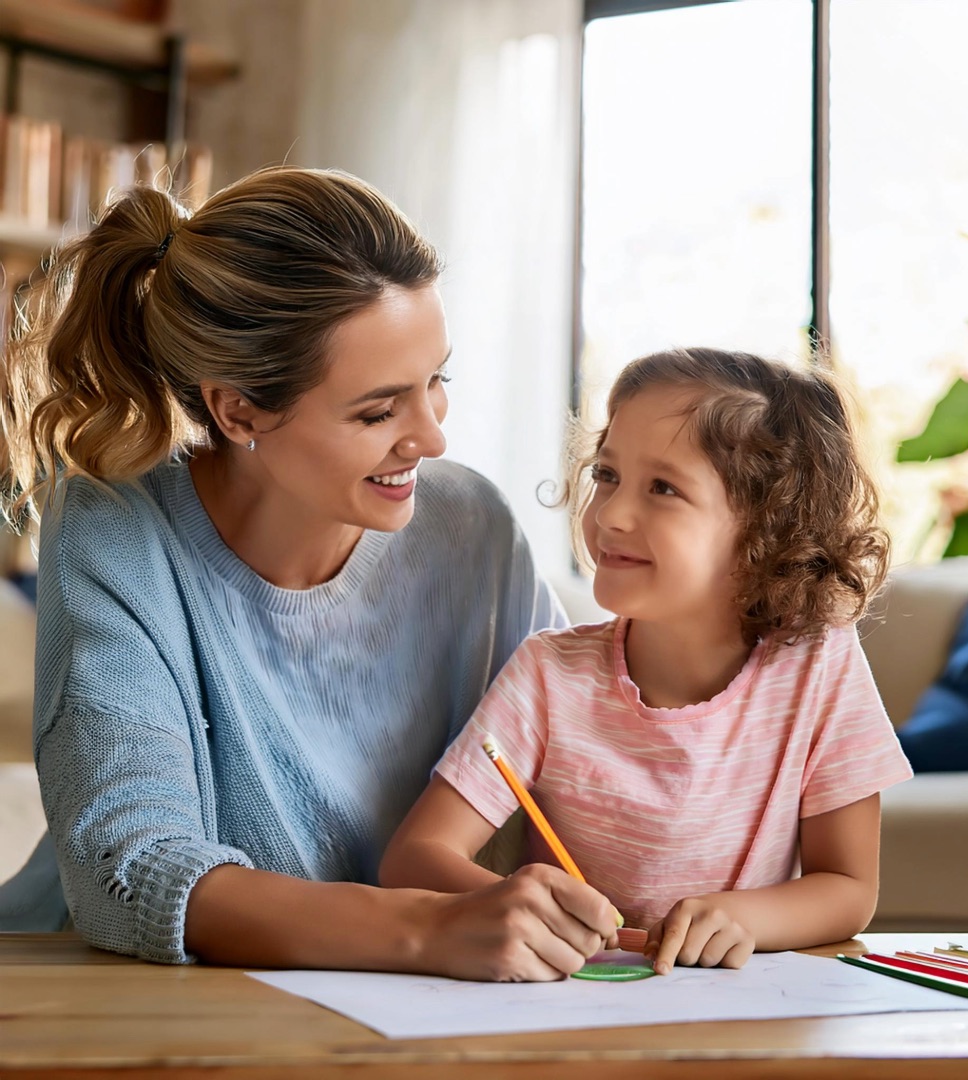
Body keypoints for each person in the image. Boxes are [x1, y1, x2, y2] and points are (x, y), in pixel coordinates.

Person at [0, 166, 621, 980]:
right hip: (104, 990)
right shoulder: (119, 534)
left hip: (388, 1006)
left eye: (439, 382)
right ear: (238, 411)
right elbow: (130, 869)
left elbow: (593, 763)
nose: (431, 438)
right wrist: (427, 932)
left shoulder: (472, 526)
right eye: (378, 410)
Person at [380, 347, 913, 975]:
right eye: (607, 475)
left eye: (663, 488)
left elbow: (849, 887)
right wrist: (516, 904)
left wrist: (742, 918)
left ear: (767, 533)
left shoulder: (819, 663)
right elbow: (413, 858)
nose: (611, 514)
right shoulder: (548, 675)